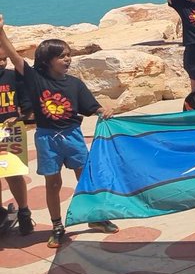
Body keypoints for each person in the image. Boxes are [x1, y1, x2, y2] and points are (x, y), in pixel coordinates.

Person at [0, 16, 117, 249]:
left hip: (73, 137)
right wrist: (1, 31)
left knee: (85, 177)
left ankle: (95, 216)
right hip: (47, 140)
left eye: (68, 55)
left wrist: (104, 110)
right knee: (53, 184)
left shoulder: (75, 84)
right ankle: (57, 226)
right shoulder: (35, 80)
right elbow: (14, 56)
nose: (68, 59)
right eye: (62, 56)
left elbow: (92, 107)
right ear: (47, 61)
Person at [0, 44, 33, 236]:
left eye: (4, 59)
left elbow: (26, 103)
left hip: (10, 132)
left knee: (13, 174)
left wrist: (20, 116)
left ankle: (24, 212)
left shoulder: (13, 77)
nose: (2, 63)